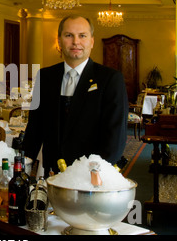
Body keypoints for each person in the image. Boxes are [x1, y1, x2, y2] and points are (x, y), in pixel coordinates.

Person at [22, 14, 128, 176]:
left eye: (82, 36)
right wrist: (23, 167)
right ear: (59, 41)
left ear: (91, 41)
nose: (75, 42)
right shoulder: (45, 76)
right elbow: (34, 129)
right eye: (69, 35)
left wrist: (96, 173)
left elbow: (115, 136)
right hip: (52, 173)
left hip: (90, 175)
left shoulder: (110, 79)